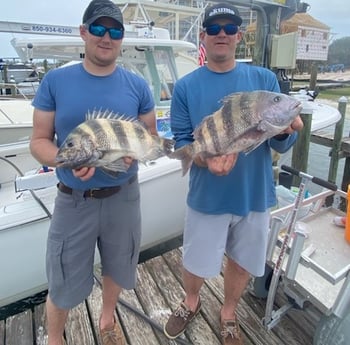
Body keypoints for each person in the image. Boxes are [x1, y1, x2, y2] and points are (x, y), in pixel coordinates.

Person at [163, 3, 304, 345]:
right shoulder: (185, 87)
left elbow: (284, 143)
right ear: (204, 36)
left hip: (254, 195)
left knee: (242, 262)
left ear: (239, 35)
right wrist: (203, 160)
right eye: (214, 28)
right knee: (196, 260)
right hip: (206, 195)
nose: (222, 34)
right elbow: (184, 140)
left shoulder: (264, 80)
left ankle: (228, 312)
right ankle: (190, 301)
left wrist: (286, 131)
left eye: (229, 28)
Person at [30, 1, 156, 344]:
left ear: (122, 38)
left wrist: (133, 155)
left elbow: (149, 138)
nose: (106, 37)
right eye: (99, 29)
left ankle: (107, 318)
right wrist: (65, 159)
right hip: (73, 200)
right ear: (83, 32)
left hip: (123, 196)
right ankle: (54, 337)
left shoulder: (138, 86)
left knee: (118, 264)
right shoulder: (55, 81)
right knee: (62, 276)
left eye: (115, 31)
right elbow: (39, 141)